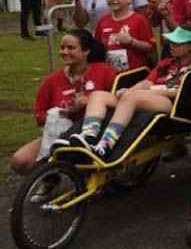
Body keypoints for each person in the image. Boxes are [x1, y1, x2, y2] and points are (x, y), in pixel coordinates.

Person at [59, 26, 191, 158]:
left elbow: (184, 91)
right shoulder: (166, 63)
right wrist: (129, 90)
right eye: (171, 42)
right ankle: (88, 137)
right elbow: (146, 82)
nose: (172, 45)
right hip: (143, 98)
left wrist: (150, 92)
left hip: (172, 104)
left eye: (178, 43)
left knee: (132, 98)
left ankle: (105, 146)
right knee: (98, 95)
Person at [10, 29, 116, 176]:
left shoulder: (104, 71)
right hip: (59, 134)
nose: (65, 52)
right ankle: (48, 180)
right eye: (62, 48)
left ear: (86, 51)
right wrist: (63, 113)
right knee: (19, 161)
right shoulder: (52, 80)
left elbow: (118, 101)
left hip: (94, 133)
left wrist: (90, 101)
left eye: (71, 48)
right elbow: (39, 114)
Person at [94, 0, 155, 72]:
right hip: (111, 73)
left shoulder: (139, 20)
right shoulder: (103, 21)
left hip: (134, 72)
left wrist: (132, 42)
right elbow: (97, 48)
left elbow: (151, 48)